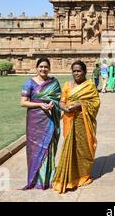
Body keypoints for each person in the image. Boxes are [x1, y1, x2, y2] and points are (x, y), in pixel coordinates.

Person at [53, 61, 100, 193]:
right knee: (70, 146)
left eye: (79, 71)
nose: (76, 73)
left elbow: (95, 103)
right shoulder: (67, 85)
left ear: (85, 72)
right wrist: (65, 108)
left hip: (84, 121)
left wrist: (80, 105)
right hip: (69, 120)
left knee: (84, 148)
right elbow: (61, 101)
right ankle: (69, 176)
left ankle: (83, 176)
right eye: (74, 71)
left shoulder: (89, 86)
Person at [20, 57, 61, 190]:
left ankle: (48, 178)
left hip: (50, 119)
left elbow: (59, 100)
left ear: (49, 68)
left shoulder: (54, 83)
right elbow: (23, 102)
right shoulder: (29, 83)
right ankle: (35, 179)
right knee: (35, 150)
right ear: (36, 68)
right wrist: (40, 105)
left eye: (46, 67)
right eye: (41, 67)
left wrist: (52, 104)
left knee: (48, 148)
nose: (43, 69)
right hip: (34, 121)